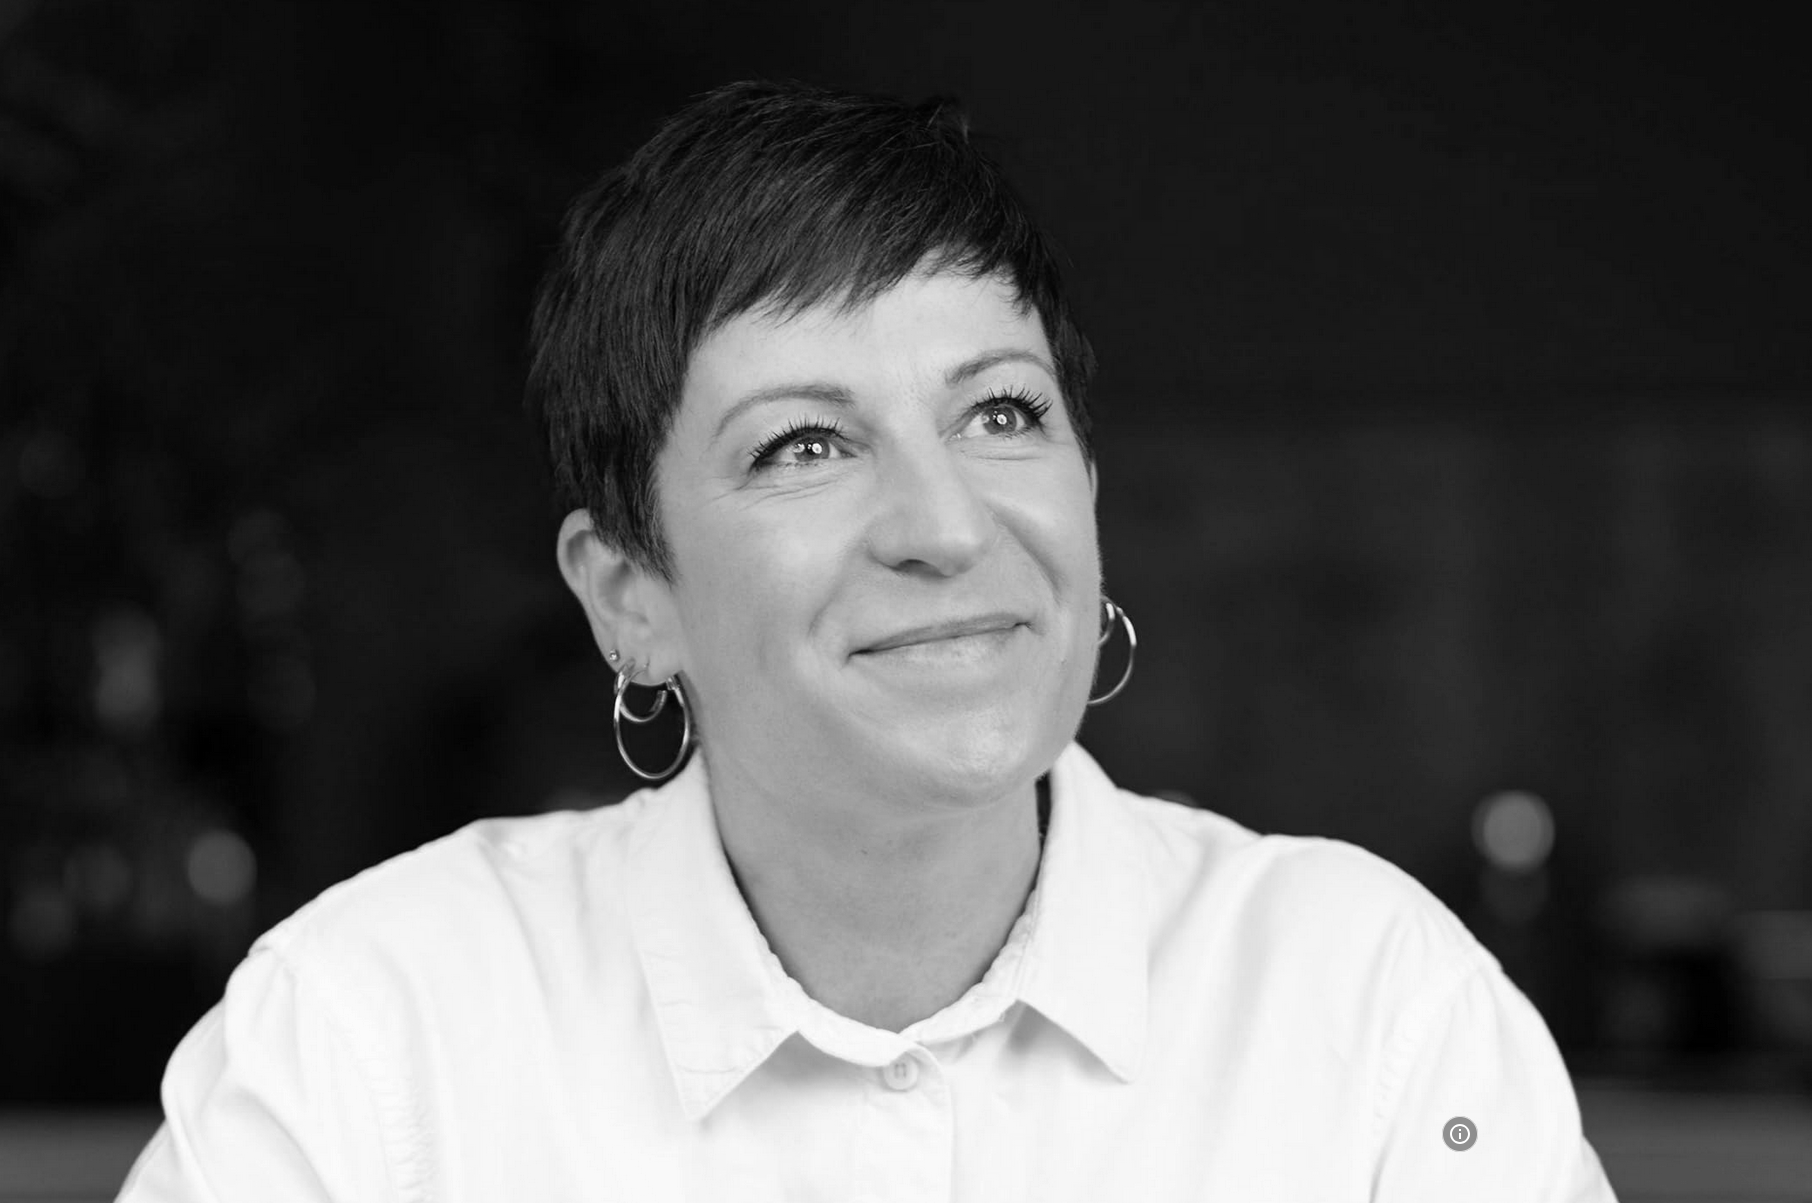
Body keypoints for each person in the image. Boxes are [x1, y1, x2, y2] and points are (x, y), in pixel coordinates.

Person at [119, 80, 1618, 1201]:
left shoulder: (1366, 1002)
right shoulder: (369, 1032)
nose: (946, 526)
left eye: (1002, 413)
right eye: (805, 447)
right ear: (629, 593)